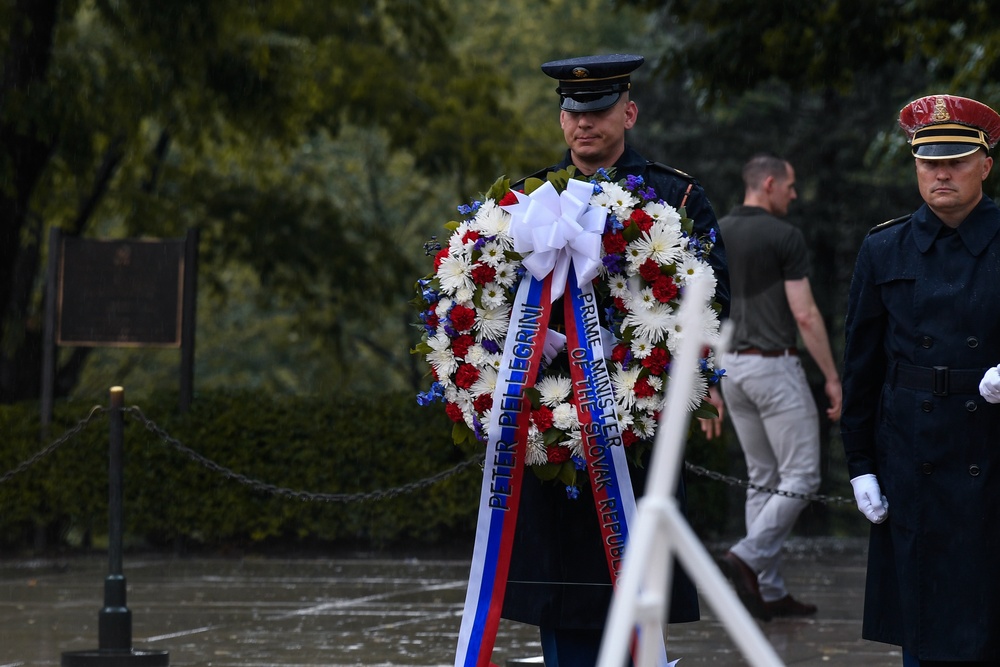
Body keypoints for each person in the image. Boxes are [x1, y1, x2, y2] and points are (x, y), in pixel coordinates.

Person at [499, 53, 730, 666]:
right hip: (555, 423)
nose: (584, 124)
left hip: (635, 424)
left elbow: (713, 297)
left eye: (599, 110)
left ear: (628, 111)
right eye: (573, 112)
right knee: (563, 598)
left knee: (634, 590)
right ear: (560, 120)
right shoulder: (529, 201)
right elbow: (498, 301)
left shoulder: (675, 195)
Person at [841, 94, 1000, 665]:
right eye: (930, 161)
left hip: (992, 452)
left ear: (985, 163)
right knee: (925, 630)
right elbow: (860, 369)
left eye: (956, 160)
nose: (942, 173)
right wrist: (858, 464)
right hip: (913, 454)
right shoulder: (884, 247)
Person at [708, 154, 841, 621]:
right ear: (768, 183)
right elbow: (804, 314)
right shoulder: (784, 236)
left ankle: (766, 590)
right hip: (773, 368)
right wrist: (831, 376)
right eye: (790, 185)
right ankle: (747, 555)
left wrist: (710, 383)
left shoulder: (716, 230)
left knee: (763, 478)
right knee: (802, 476)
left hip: (731, 369)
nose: (794, 194)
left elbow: (705, 310)